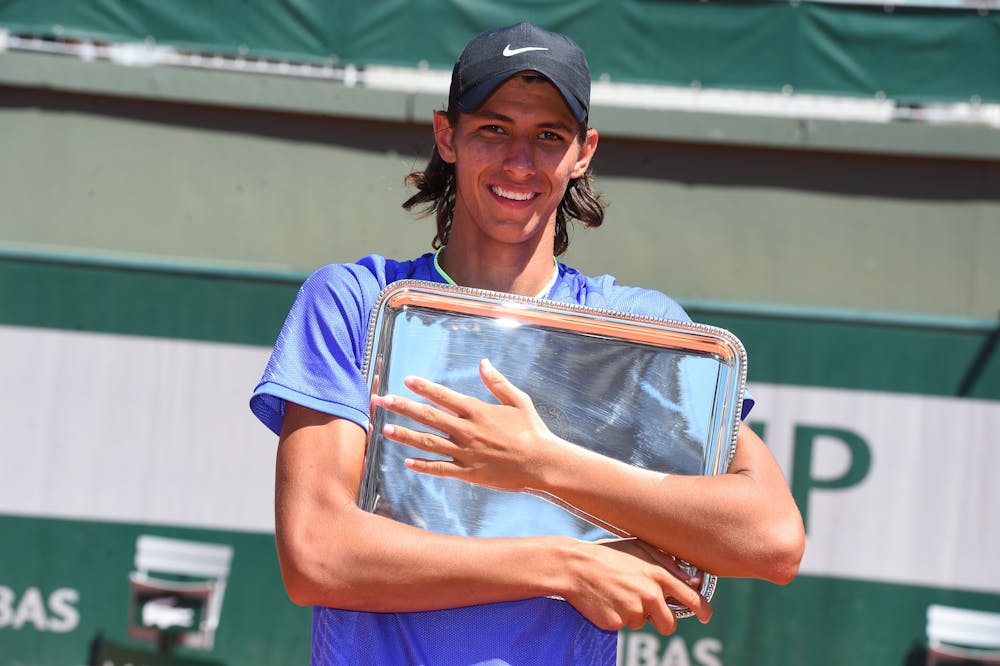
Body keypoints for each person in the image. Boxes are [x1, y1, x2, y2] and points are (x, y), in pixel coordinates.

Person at [250, 21, 804, 665]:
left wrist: (544, 464)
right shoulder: (354, 301)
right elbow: (317, 555)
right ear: (446, 136)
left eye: (548, 136)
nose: (519, 160)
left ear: (583, 152)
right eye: (493, 128)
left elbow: (772, 539)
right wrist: (564, 565)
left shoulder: (638, 326)